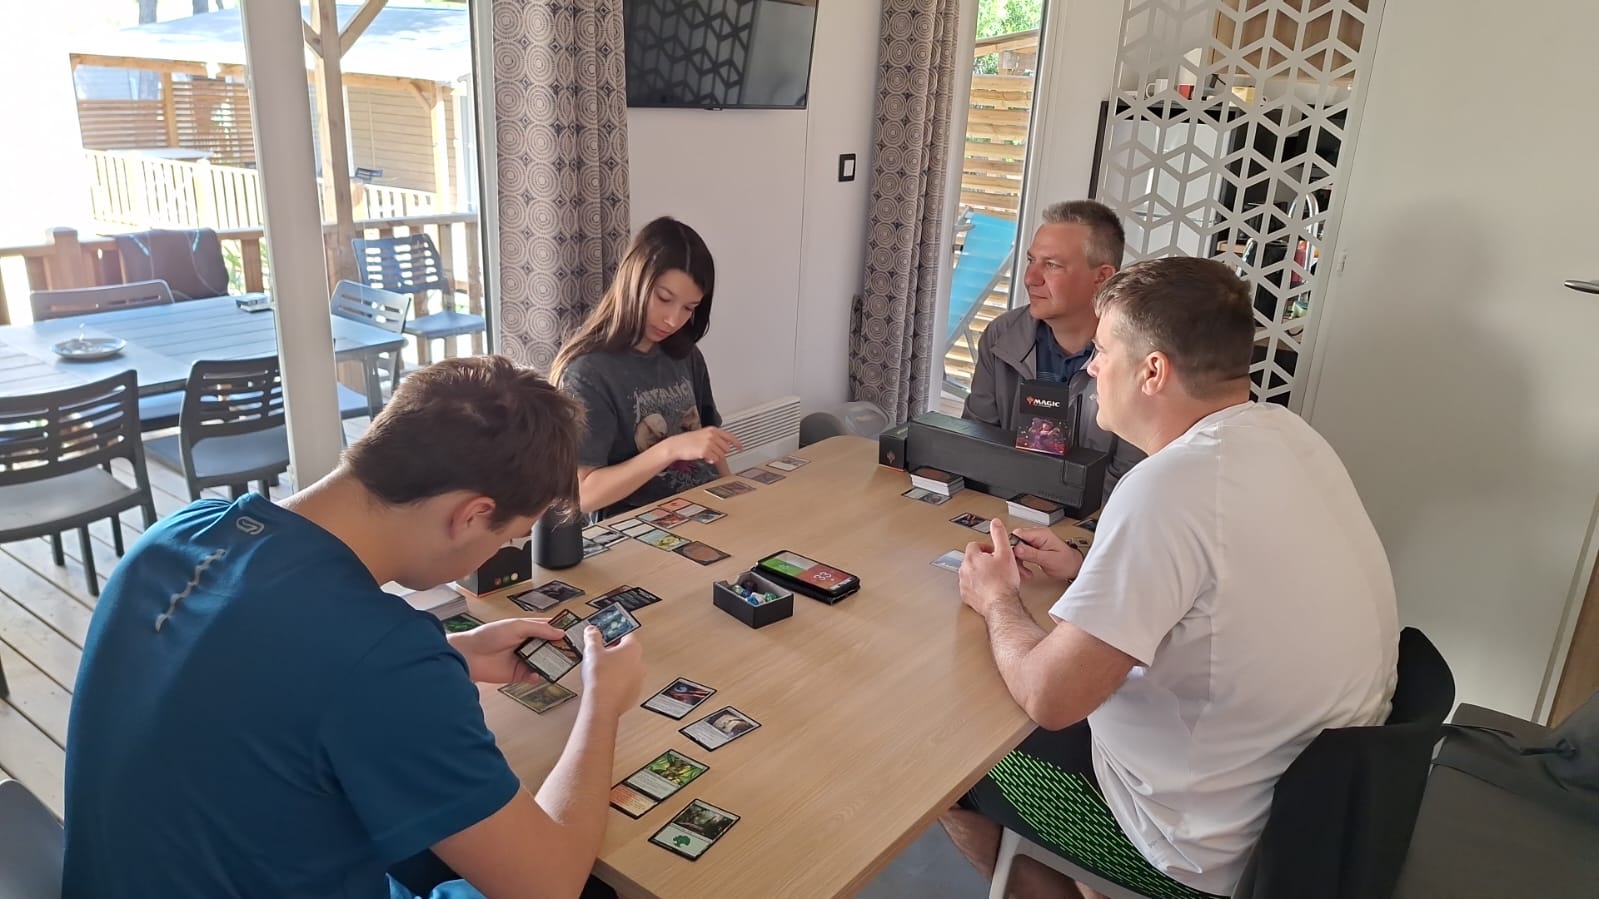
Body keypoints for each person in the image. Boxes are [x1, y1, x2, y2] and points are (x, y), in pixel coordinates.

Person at [64, 357, 645, 899]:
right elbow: (549, 885)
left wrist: (453, 652)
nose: (500, 551)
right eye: (508, 537)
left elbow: (251, 672)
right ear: (471, 515)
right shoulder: (383, 659)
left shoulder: (177, 534)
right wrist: (603, 702)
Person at [943, 258, 1400, 899]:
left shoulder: (1168, 487)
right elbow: (1224, 587)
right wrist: (1089, 571)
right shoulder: (1289, 436)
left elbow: (1051, 697)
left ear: (1152, 371)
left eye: (1103, 351)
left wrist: (997, 600)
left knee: (955, 766)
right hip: (1310, 810)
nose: (1092, 368)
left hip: (1199, 847)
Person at [551, 216, 744, 517]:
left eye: (689, 308)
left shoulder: (686, 355)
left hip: (706, 512)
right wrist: (670, 449)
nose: (673, 320)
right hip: (642, 529)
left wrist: (733, 497)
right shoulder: (587, 373)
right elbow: (583, 495)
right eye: (664, 298)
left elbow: (710, 442)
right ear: (634, 280)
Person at [962, 199, 1144, 494]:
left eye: (1052, 265)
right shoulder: (1001, 336)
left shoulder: (1137, 357)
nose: (1030, 278)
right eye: (1031, 260)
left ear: (1102, 277)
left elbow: (1129, 480)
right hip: (1001, 508)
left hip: (1094, 519)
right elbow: (976, 442)